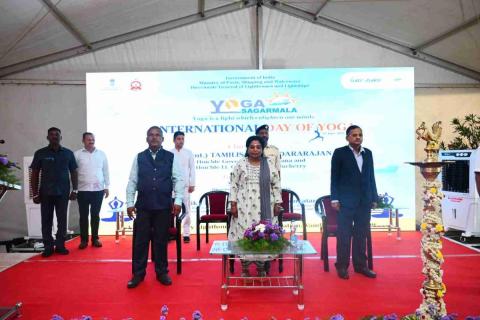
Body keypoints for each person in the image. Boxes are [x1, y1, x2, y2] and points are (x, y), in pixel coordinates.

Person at [126, 126, 184, 288]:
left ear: (162, 139)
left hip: (163, 206)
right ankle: (138, 274)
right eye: (151, 135)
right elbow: (132, 181)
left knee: (160, 241)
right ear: (146, 138)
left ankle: (161, 272)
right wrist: (130, 203)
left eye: (157, 135)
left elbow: (178, 179)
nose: (154, 137)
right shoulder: (139, 157)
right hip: (143, 206)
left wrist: (178, 200)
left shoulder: (170, 157)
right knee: (140, 242)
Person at [229, 136, 283, 277]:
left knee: (262, 233)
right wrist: (233, 204)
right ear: (247, 148)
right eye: (252, 147)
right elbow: (233, 185)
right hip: (243, 207)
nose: (255, 149)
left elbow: (276, 185)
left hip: (264, 207)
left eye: (258, 147)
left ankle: (260, 267)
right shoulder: (241, 164)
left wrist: (278, 203)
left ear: (262, 149)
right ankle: (245, 267)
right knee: (244, 235)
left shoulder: (269, 164)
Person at [330, 125, 378, 280]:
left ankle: (361, 266)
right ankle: (342, 266)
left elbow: (371, 177)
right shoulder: (340, 153)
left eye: (360, 135)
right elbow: (334, 177)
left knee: (361, 234)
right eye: (354, 135)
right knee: (344, 235)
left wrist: (374, 197)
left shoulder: (368, 153)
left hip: (364, 201)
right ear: (347, 138)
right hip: (345, 201)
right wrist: (335, 198)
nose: (358, 137)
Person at [30, 127, 78, 257]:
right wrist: (34, 193)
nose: (54, 136)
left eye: (57, 134)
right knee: (46, 220)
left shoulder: (68, 153)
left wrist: (75, 189)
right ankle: (48, 247)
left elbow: (74, 172)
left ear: (61, 137)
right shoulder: (40, 153)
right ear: (47, 137)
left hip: (63, 193)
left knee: (62, 220)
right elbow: (34, 174)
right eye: (51, 134)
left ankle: (61, 245)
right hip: (45, 193)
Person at [74, 132, 110, 249]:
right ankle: (84, 240)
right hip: (82, 190)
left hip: (98, 190)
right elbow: (73, 173)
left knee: (95, 215)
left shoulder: (101, 154)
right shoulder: (77, 154)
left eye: (93, 139)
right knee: (83, 216)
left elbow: (106, 171)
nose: (91, 141)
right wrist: (73, 189)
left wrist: (106, 186)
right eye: (88, 139)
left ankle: (95, 239)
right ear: (83, 141)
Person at [170, 131, 196, 243]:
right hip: (171, 186)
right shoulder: (169, 153)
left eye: (182, 139)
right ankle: (172, 233)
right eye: (178, 139)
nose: (181, 141)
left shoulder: (189, 153)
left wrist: (192, 183)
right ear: (174, 140)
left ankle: (186, 234)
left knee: (186, 210)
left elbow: (192, 169)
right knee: (171, 210)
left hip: (185, 186)